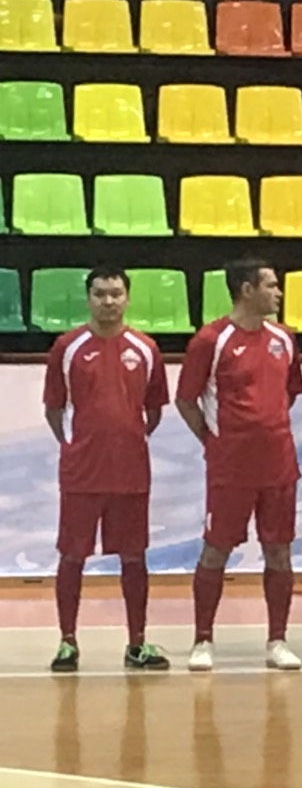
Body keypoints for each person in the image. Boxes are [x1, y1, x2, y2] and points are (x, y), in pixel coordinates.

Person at [176, 259, 302, 672]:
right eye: (271, 285)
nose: (278, 292)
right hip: (230, 468)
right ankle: (203, 639)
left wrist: (267, 429)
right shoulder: (210, 340)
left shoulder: (284, 338)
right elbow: (186, 400)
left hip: (280, 465)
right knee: (216, 549)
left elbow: (289, 393)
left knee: (279, 551)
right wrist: (214, 441)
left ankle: (278, 640)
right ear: (247, 290)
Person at [42, 266, 170, 672]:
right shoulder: (67, 347)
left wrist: (126, 441)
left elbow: (152, 411)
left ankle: (137, 644)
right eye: (100, 294)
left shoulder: (146, 348)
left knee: (134, 557)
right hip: (81, 473)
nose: (108, 301)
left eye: (116, 294)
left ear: (128, 298)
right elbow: (54, 409)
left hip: (131, 472)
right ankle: (67, 642)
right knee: (72, 556)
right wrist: (77, 446)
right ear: (88, 298)